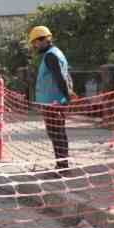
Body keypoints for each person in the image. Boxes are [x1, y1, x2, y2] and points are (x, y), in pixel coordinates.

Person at [29, 25, 79, 169]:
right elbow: (66, 75)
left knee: (57, 133)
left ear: (43, 40)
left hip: (54, 102)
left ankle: (62, 166)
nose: (35, 45)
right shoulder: (56, 53)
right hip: (55, 101)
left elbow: (60, 78)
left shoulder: (51, 55)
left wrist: (67, 96)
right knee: (58, 133)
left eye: (35, 42)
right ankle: (62, 164)